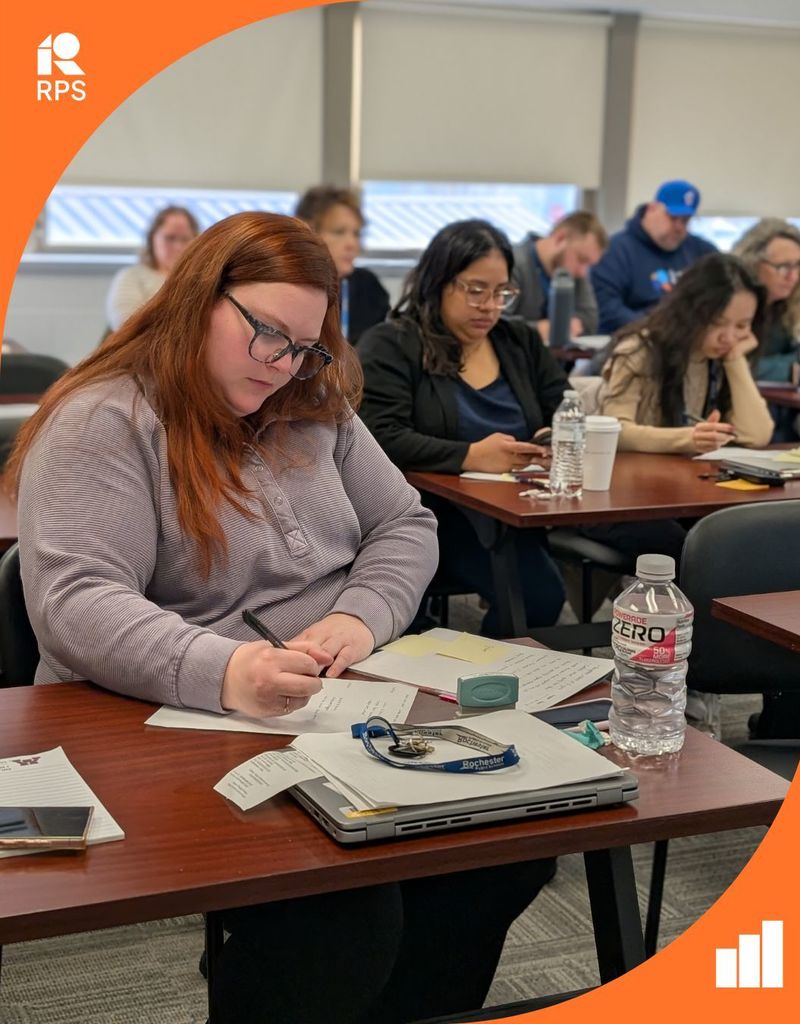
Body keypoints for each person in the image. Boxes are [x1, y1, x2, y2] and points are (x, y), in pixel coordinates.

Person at [5, 212, 550, 1024]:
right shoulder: (105, 417)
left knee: (500, 850)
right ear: (198, 298)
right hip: (164, 717)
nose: (283, 364)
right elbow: (78, 601)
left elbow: (404, 524)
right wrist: (225, 672)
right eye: (267, 335)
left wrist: (358, 620)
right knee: (339, 911)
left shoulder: (309, 402)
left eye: (304, 346)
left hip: (333, 698)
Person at [357, 219, 569, 636]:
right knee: (531, 594)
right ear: (438, 283)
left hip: (515, 508)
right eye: (475, 290)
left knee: (539, 597)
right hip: (432, 513)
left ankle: (499, 678)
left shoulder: (518, 341)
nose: (490, 306)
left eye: (502, 293)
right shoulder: (392, 343)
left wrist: (546, 440)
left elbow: (561, 406)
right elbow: (378, 436)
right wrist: (470, 456)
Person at [597, 252, 774, 454]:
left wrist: (735, 360)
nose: (729, 337)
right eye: (717, 323)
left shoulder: (722, 356)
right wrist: (687, 438)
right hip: (639, 477)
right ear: (690, 312)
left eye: (742, 325)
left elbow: (757, 436)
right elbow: (614, 431)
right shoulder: (640, 350)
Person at [591, 180, 717, 334]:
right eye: (672, 217)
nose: (679, 227)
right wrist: (657, 328)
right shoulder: (615, 251)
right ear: (651, 209)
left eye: (685, 220)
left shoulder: (702, 252)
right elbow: (607, 309)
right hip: (633, 340)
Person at [295, 185, 390, 344]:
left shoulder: (369, 288)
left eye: (356, 234)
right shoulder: (287, 286)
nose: (352, 244)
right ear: (308, 232)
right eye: (339, 232)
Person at [732, 218, 800, 382]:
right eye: (783, 267)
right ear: (752, 264)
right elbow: (731, 367)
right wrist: (790, 369)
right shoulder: (729, 307)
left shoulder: (791, 306)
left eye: (799, 266)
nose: (794, 276)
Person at [510, 210, 608, 341]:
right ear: (560, 238)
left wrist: (574, 324)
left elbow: (590, 320)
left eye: (588, 265)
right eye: (581, 259)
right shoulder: (512, 264)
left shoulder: (575, 274)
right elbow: (498, 323)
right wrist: (537, 330)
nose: (583, 272)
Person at [105, 205, 199, 329]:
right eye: (170, 238)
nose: (178, 247)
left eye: (185, 239)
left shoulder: (202, 280)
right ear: (152, 238)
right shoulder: (132, 277)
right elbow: (127, 326)